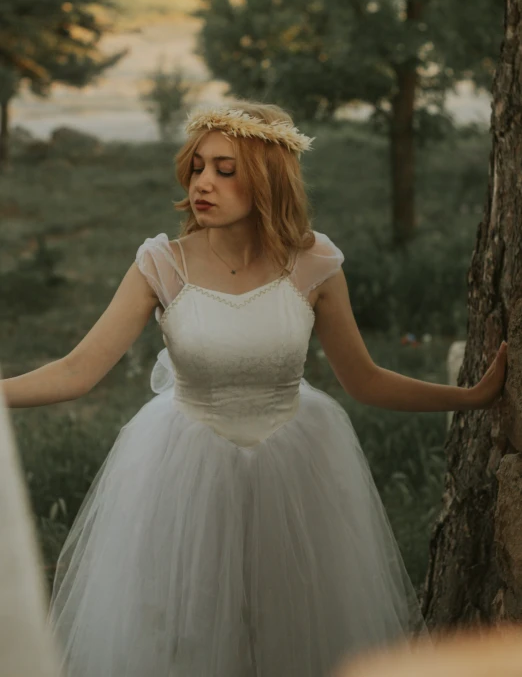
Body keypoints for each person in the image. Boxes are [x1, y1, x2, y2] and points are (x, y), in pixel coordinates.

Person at [2, 101, 507, 677]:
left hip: (297, 469)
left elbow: (364, 380)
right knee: (186, 635)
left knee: (292, 631)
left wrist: (468, 399)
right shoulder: (162, 264)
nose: (203, 184)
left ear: (266, 178)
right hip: (182, 474)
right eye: (197, 168)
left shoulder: (314, 264)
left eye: (225, 169)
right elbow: (77, 371)